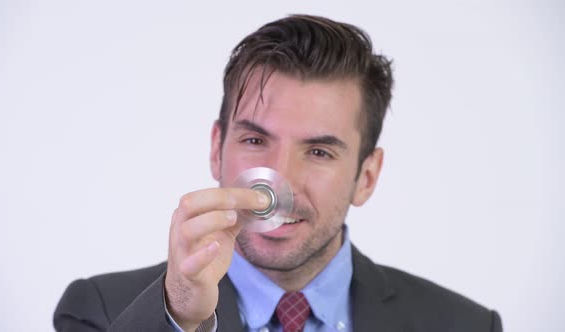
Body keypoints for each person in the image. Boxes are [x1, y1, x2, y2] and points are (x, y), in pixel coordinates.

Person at [54, 14, 502, 332]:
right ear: (217, 149)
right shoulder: (101, 312)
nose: (277, 182)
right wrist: (180, 320)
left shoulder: (464, 325)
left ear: (367, 177)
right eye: (254, 141)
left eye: (320, 152)